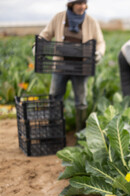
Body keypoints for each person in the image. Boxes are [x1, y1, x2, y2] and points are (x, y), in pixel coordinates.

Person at [37, 0, 106, 132]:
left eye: (84, 3)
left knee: (80, 100)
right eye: (79, 3)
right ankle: (53, 129)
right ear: (71, 4)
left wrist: (99, 53)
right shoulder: (59, 17)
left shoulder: (91, 21)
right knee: (55, 96)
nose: (82, 7)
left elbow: (100, 42)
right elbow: (45, 34)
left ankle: (80, 133)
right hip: (60, 65)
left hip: (80, 67)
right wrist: (38, 46)